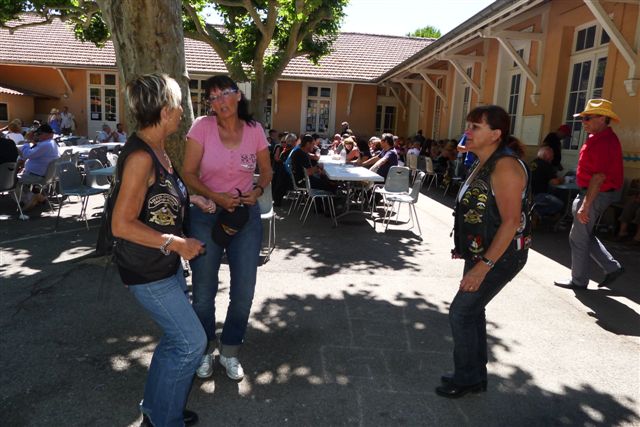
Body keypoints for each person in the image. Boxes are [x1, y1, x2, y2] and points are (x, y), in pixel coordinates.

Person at [110, 73, 208, 427]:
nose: (183, 111)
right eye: (180, 104)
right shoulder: (141, 157)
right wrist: (177, 243)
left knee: (176, 339)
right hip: (148, 271)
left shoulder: (159, 149)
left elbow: (156, 199)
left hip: (165, 266)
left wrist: (190, 199)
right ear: (166, 111)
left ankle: (156, 408)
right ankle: (166, 419)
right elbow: (121, 224)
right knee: (191, 343)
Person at [182, 75, 272, 382]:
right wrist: (215, 196)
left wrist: (256, 191)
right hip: (206, 214)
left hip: (244, 217)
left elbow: (267, 171)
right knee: (203, 291)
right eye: (213, 97)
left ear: (238, 95)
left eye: (225, 94)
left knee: (244, 291)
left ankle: (230, 351)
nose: (219, 101)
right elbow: (188, 173)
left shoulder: (254, 129)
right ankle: (205, 349)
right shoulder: (202, 127)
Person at [438, 105, 531, 399]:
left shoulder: (505, 167)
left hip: (501, 256)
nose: (467, 131)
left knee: (461, 312)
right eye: (468, 125)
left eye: (475, 127)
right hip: (483, 252)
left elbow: (511, 222)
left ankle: (467, 378)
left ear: (495, 134)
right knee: (473, 311)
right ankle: (474, 376)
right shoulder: (485, 162)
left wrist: (483, 266)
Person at [554, 99, 624, 289]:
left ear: (602, 118)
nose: (583, 122)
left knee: (578, 237)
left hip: (595, 194)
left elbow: (599, 177)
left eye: (587, 118)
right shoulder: (599, 138)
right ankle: (612, 267)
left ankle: (579, 280)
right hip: (593, 192)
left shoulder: (604, 141)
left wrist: (585, 205)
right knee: (583, 235)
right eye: (583, 118)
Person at [18, 123, 60, 211]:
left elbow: (26, 155)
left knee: (13, 181)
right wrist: (34, 142)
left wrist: (27, 142)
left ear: (48, 134)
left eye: (40, 134)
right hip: (44, 175)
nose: (38, 136)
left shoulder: (45, 145)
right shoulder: (51, 143)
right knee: (19, 177)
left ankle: (28, 200)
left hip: (37, 176)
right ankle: (37, 196)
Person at [530, 146, 564, 217]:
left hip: (528, 195)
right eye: (552, 155)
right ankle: (537, 213)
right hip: (538, 195)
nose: (552, 158)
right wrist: (562, 179)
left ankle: (535, 212)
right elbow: (554, 182)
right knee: (560, 204)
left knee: (554, 192)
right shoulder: (546, 165)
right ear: (546, 155)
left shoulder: (532, 162)